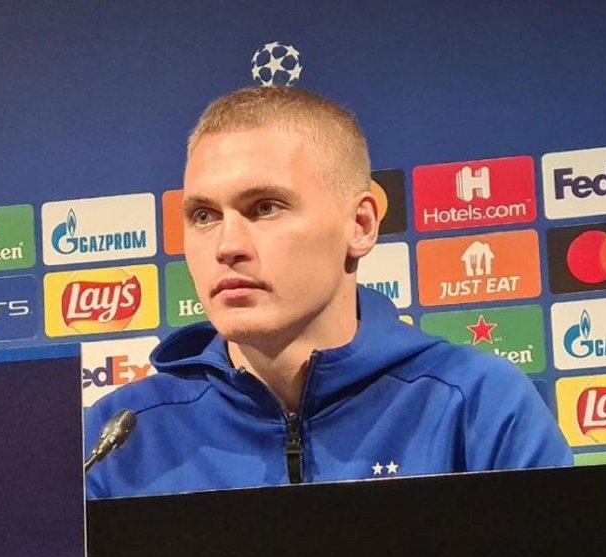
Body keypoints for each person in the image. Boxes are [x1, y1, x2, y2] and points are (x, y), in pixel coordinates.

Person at [83, 86, 572, 499]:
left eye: (265, 208)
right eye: (204, 216)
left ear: (360, 225)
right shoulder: (117, 436)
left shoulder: (477, 403)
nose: (227, 246)